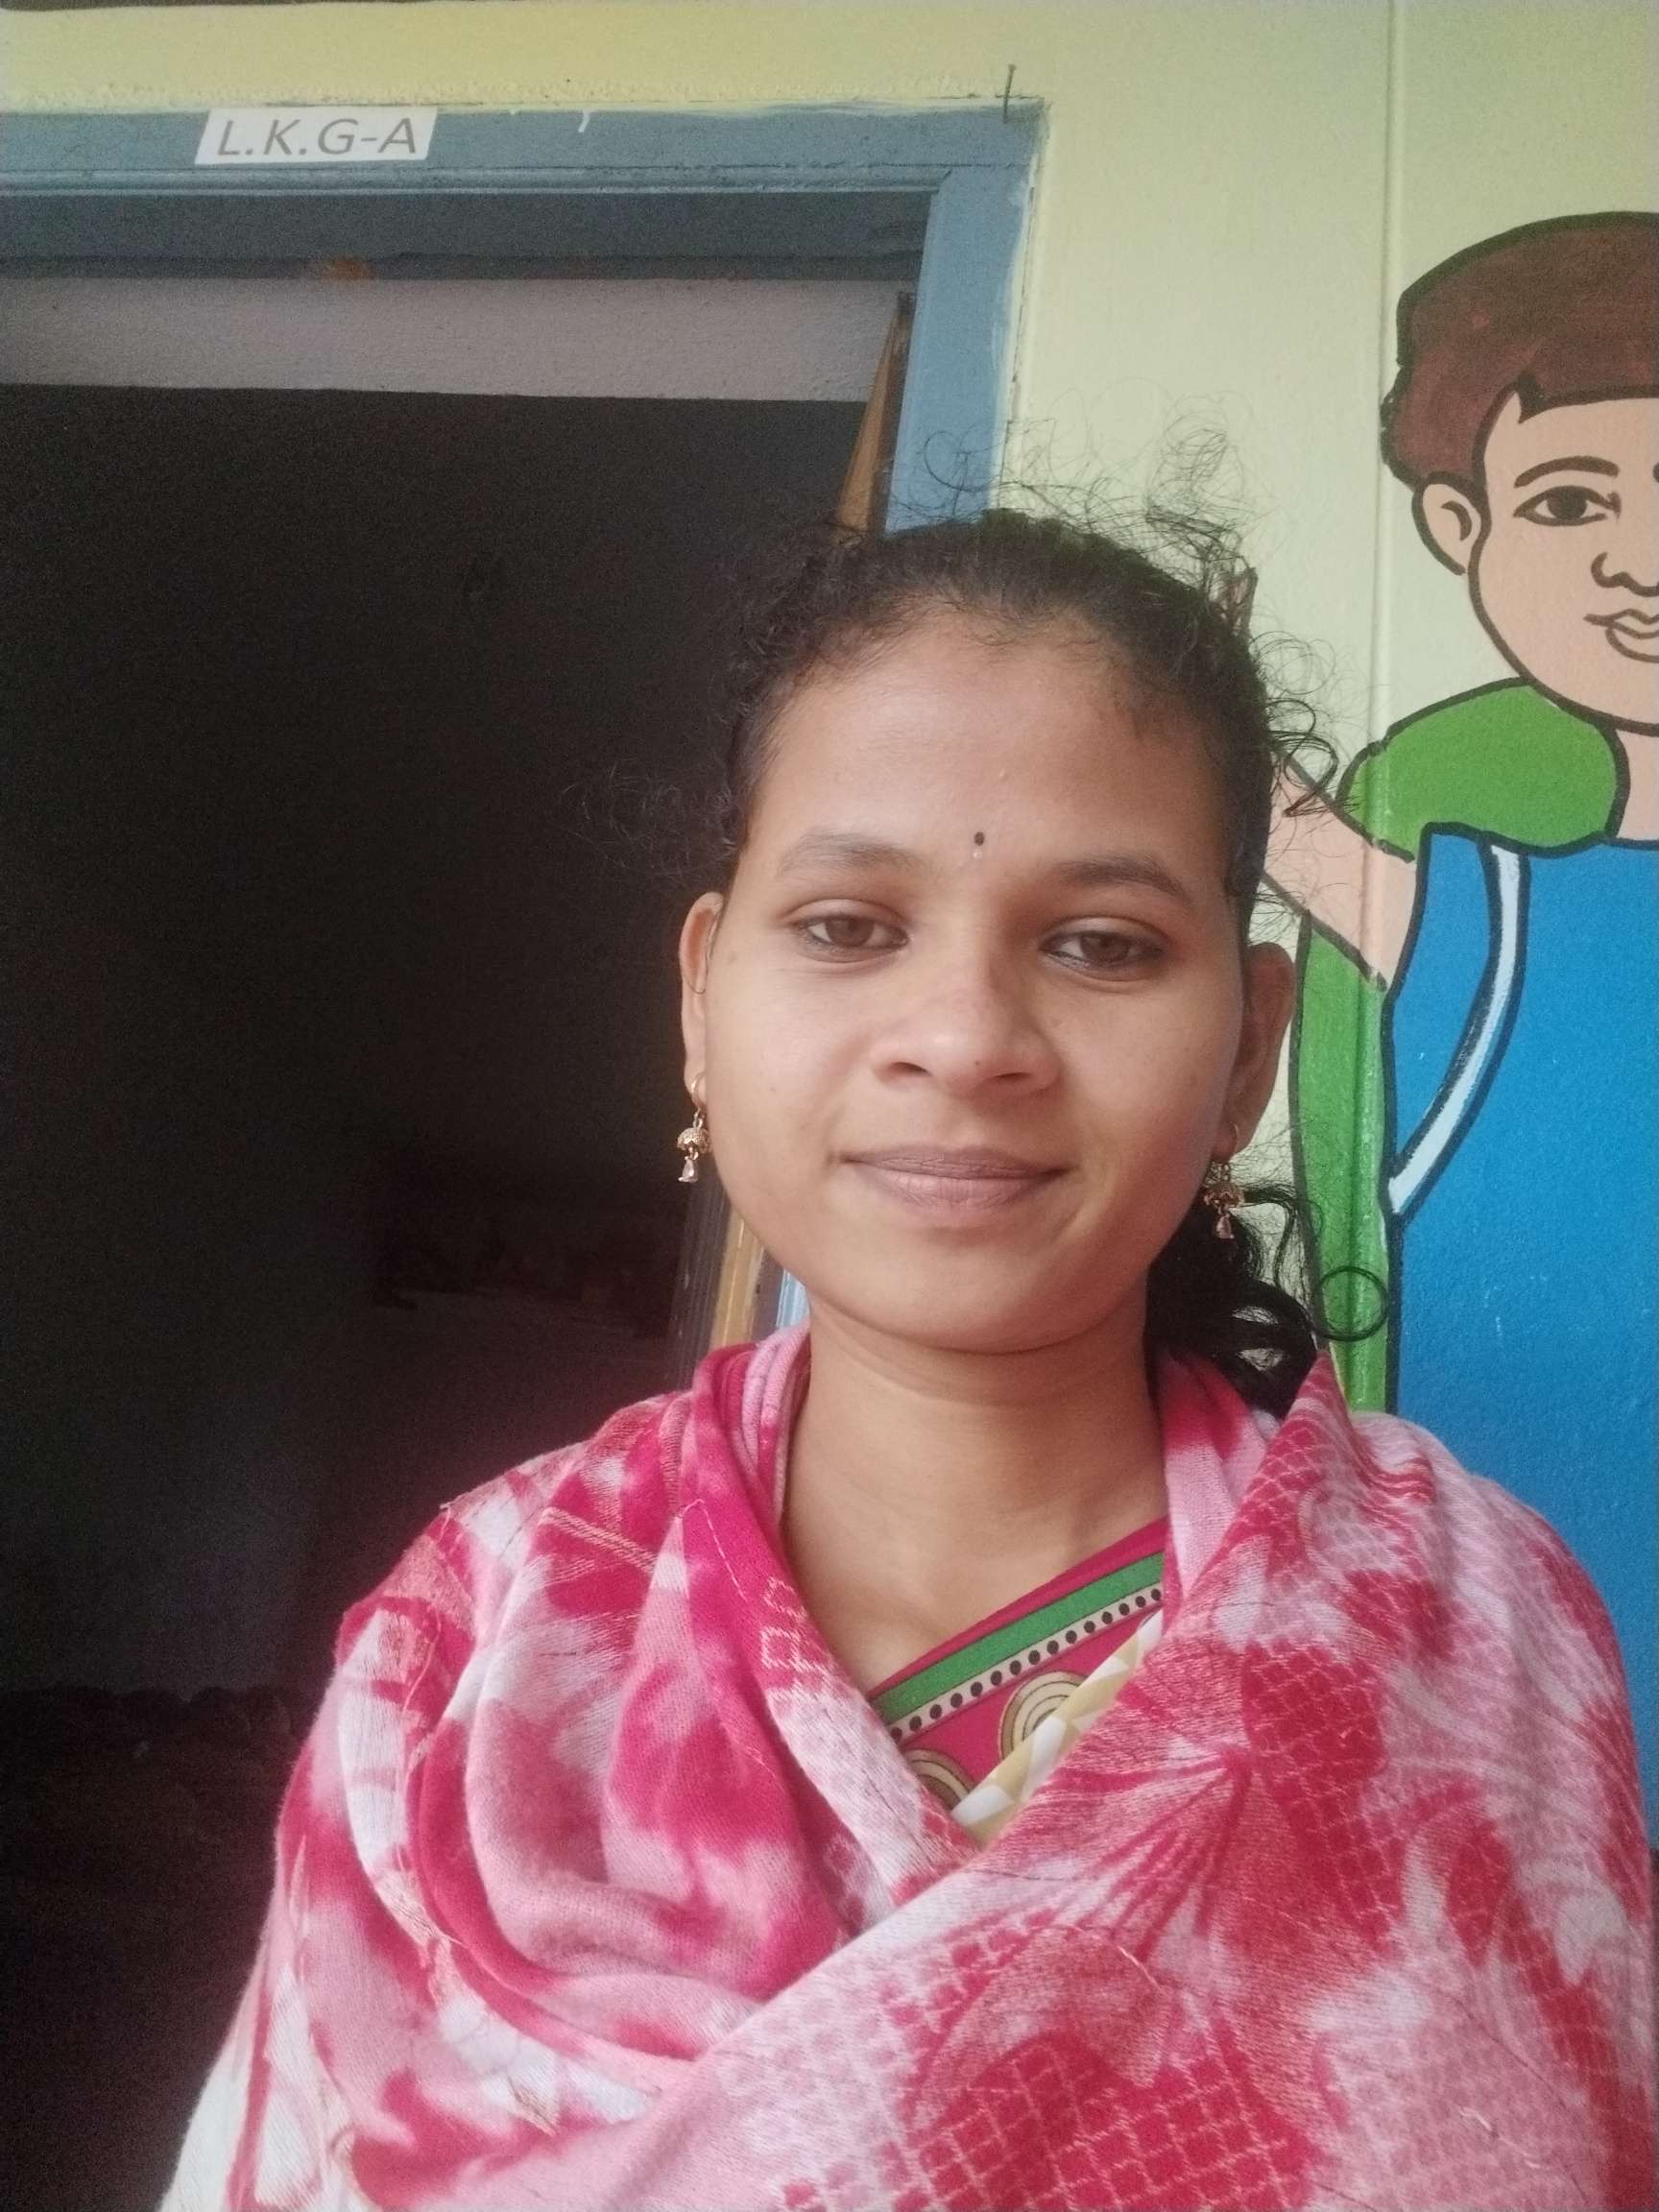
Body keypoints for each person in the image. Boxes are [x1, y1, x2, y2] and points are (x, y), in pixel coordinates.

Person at [163, 509, 1653, 2212]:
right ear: (703, 999)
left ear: (1249, 1048)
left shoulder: (1474, 1627)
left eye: (1101, 944)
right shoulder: (469, 1646)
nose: (962, 1039)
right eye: (850, 925)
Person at [1266, 212, 1658, 1815]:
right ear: (1456, 523)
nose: (1641, 557)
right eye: (1571, 502)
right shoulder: (1489, 910)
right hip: (1523, 1706)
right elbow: (1283, 828)